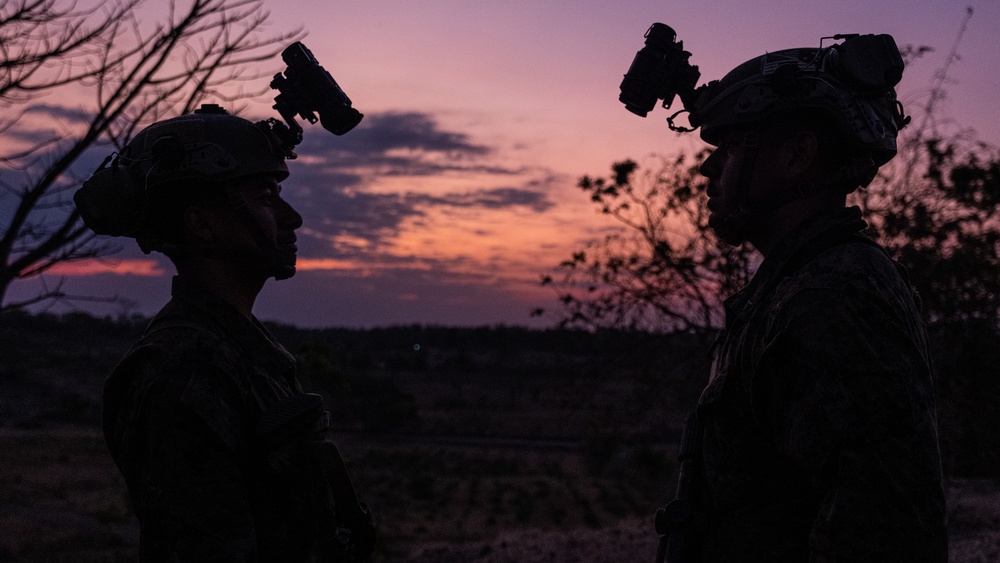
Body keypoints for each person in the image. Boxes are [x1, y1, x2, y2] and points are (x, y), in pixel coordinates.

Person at [651, 35, 948, 561]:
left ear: (796, 155)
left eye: (733, 146)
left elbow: (883, 533)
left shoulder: (834, 296)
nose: (708, 169)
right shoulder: (797, 285)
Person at [74, 104, 375, 562]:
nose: (291, 217)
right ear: (201, 223)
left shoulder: (239, 350)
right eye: (265, 195)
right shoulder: (178, 374)